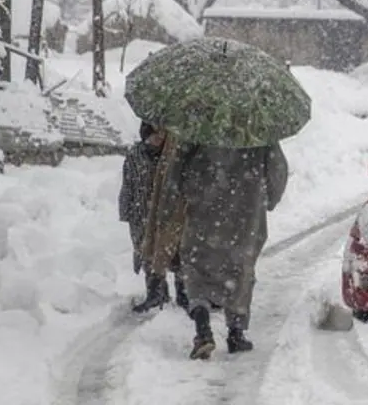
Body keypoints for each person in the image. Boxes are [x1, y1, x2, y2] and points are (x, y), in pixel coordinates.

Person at [169, 142, 289, 360]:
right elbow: (277, 170)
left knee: (196, 265)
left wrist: (187, 190)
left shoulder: (198, 127)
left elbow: (177, 166)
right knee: (240, 268)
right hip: (246, 207)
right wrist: (269, 198)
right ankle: (236, 332)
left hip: (204, 205)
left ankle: (202, 328)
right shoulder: (258, 132)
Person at [119, 121, 187, 312]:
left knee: (177, 251)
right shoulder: (135, 155)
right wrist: (126, 211)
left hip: (167, 212)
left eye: (161, 133)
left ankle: (183, 293)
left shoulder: (173, 154)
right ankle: (156, 293)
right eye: (154, 134)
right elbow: (128, 183)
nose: (158, 138)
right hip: (141, 212)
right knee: (146, 252)